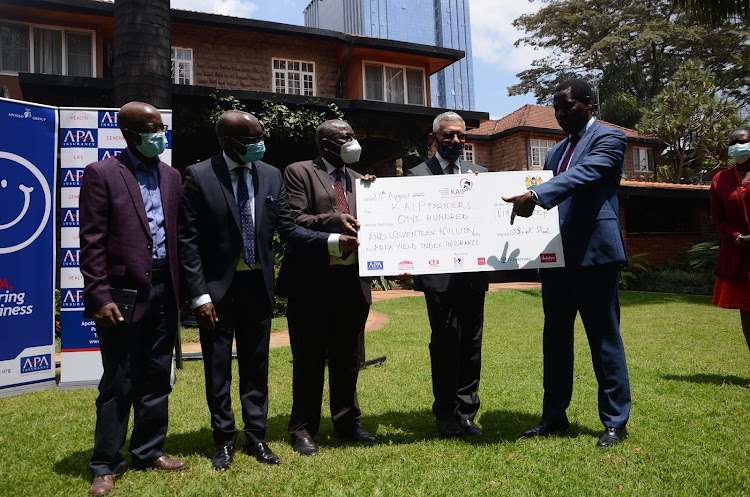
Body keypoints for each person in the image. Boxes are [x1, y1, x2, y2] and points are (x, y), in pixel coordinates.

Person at [178, 111, 358, 470]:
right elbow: (188, 240)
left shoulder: (270, 175)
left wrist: (334, 241)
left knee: (256, 365)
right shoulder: (199, 176)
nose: (261, 144)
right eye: (252, 139)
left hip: (258, 286)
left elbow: (289, 229)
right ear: (229, 143)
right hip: (217, 290)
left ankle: (256, 436)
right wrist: (199, 295)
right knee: (217, 367)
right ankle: (224, 440)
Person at [503, 78, 632, 448]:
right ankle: (553, 417)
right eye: (556, 109)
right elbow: (546, 201)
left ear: (589, 104)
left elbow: (585, 174)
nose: (559, 115)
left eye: (567, 108)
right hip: (556, 258)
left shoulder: (610, 138)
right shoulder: (554, 154)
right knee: (555, 340)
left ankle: (614, 421)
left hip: (595, 255)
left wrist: (535, 194)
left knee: (604, 339)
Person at [80, 101, 186, 496]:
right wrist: (98, 294)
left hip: (165, 289)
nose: (160, 134)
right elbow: (90, 241)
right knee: (119, 380)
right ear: (128, 133)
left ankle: (148, 449)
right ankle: (105, 464)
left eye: (161, 127)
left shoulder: (172, 176)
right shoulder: (102, 174)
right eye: (152, 128)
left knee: (158, 375)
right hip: (121, 294)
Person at [276, 119, 375, 456]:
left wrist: (378, 197)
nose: (353, 141)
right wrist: (334, 222)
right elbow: (295, 219)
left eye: (353, 135)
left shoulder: (361, 180)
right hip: (311, 282)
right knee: (308, 359)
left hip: (352, 282)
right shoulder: (299, 172)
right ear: (326, 144)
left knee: (349, 359)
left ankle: (347, 422)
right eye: (345, 137)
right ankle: (303, 428)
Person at [405, 111, 489, 439]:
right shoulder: (415, 176)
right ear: (434, 139)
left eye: (461, 136)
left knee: (471, 342)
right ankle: (444, 413)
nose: (455, 141)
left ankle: (467, 412)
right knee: (445, 341)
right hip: (437, 276)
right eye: (449, 135)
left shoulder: (480, 174)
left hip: (472, 273)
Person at [710, 126, 750, 389]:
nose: (737, 147)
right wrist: (737, 237)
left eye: (742, 142)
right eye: (733, 143)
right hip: (739, 257)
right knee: (748, 314)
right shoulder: (719, 180)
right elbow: (717, 219)